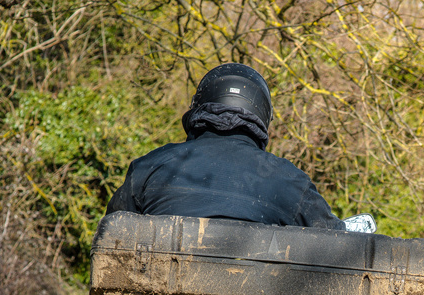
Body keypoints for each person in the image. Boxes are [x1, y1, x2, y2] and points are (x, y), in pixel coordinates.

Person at [106, 63, 344, 230]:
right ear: (262, 115)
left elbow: (112, 233)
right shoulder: (292, 181)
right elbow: (336, 243)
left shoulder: (150, 166)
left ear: (199, 106)